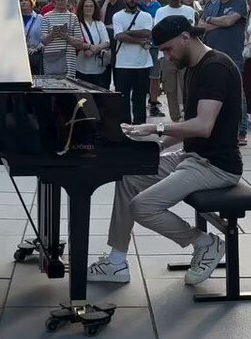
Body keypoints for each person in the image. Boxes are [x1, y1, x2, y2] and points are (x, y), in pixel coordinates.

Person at [87, 15, 242, 287]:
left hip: (216, 166)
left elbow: (203, 126)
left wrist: (155, 128)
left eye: (168, 49)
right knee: (128, 175)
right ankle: (116, 262)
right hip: (191, 157)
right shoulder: (194, 66)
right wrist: (155, 146)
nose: (167, 57)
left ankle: (205, 243)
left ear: (186, 37)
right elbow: (188, 126)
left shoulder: (215, 68)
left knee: (143, 206)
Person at [200, 0, 249, 144]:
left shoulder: (240, 2)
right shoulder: (213, 2)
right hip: (211, 54)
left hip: (233, 55)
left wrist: (211, 19)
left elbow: (229, 21)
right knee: (213, 92)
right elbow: (201, 26)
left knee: (237, 94)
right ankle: (218, 129)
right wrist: (220, 22)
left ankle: (241, 130)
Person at [153, 0, 196, 122]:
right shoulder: (160, 12)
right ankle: (175, 119)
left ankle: (188, 116)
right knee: (170, 89)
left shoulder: (189, 11)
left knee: (187, 88)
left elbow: (190, 34)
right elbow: (157, 34)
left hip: (185, 56)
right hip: (167, 56)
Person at [112, 0, 154, 124]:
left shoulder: (146, 16)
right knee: (122, 97)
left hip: (143, 63)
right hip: (123, 63)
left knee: (140, 97)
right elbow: (119, 36)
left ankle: (140, 126)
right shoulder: (117, 16)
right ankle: (124, 126)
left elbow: (148, 33)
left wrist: (128, 32)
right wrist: (140, 40)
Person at [39, 0, 83, 78]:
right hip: (51, 59)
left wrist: (66, 37)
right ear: (54, 0)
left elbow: (80, 41)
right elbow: (43, 41)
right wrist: (52, 33)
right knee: (51, 84)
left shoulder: (73, 17)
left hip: (68, 60)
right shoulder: (46, 17)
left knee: (68, 83)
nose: (60, 2)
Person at [137, 0, 163, 117]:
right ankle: (139, 101)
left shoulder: (157, 6)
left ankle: (153, 103)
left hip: (155, 46)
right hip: (139, 46)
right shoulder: (135, 5)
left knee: (155, 76)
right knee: (140, 76)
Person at [75, 0, 111, 87]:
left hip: (98, 67)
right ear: (82, 8)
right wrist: (89, 46)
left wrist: (92, 50)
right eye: (86, 6)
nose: (89, 8)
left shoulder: (99, 24)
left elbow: (106, 42)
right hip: (81, 67)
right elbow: (76, 42)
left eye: (91, 6)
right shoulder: (77, 24)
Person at [98, 0, 125, 76]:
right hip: (105, 45)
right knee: (104, 77)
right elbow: (100, 21)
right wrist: (106, 2)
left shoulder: (124, 4)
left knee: (119, 76)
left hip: (119, 45)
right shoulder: (100, 3)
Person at [20, 0, 44, 74]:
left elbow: (44, 37)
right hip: (19, 56)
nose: (23, 2)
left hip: (34, 56)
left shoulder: (39, 18)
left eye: (26, 0)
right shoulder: (16, 19)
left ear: (31, 1)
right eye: (21, 0)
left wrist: (37, 48)